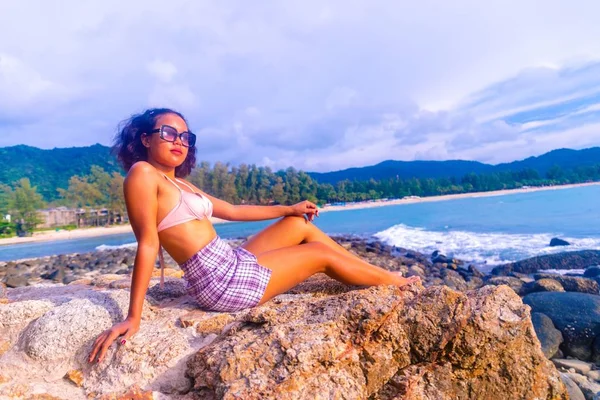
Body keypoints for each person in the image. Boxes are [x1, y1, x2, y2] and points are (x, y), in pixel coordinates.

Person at [88, 108, 420, 363]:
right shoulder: (142, 174)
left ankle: (368, 270)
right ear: (146, 139)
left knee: (299, 226)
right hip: (219, 282)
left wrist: (289, 208)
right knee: (320, 254)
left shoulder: (181, 184)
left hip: (229, 261)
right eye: (169, 133)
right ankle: (393, 282)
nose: (179, 141)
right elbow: (147, 243)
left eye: (186, 137)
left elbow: (233, 210)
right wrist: (134, 316)